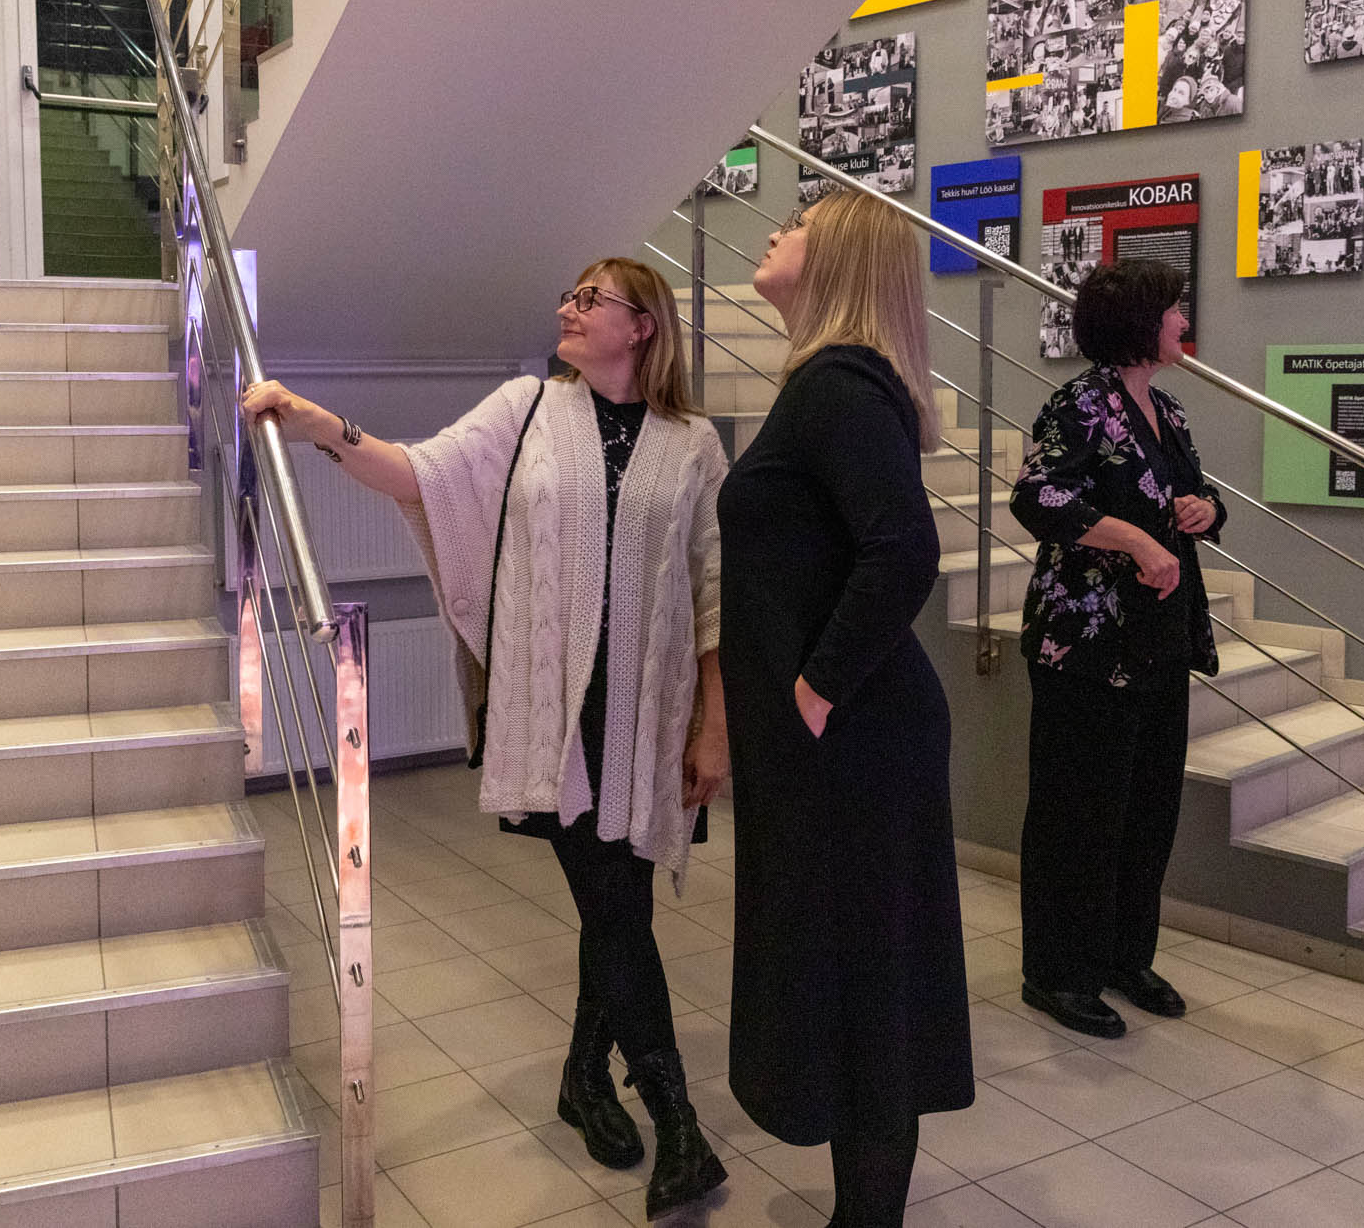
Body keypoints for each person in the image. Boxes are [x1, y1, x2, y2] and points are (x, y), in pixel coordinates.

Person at [240, 258, 730, 1221]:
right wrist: (315, 424)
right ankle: (678, 1124)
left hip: (649, 716)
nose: (566, 308)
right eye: (569, 295)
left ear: (642, 325)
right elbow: (418, 474)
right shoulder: (527, 408)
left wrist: (715, 721)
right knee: (616, 907)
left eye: (589, 299)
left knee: (620, 906)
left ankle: (584, 1076)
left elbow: (713, 589)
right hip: (558, 719)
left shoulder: (694, 443)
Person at [723, 192, 975, 1228]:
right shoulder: (826, 386)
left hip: (856, 742)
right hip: (845, 743)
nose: (771, 232)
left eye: (794, 224)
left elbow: (903, 550)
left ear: (836, 259)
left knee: (870, 996)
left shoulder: (836, 386)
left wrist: (815, 688)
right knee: (853, 988)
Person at [1008, 259, 1227, 1040]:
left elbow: (1196, 493)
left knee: (1146, 812)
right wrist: (1134, 538)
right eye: (1173, 309)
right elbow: (1037, 495)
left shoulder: (1167, 408)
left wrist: (1206, 510)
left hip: (1160, 639)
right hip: (1087, 646)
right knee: (1077, 815)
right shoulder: (1079, 404)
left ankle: (1124, 956)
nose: (1183, 321)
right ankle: (1058, 972)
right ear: (1140, 322)